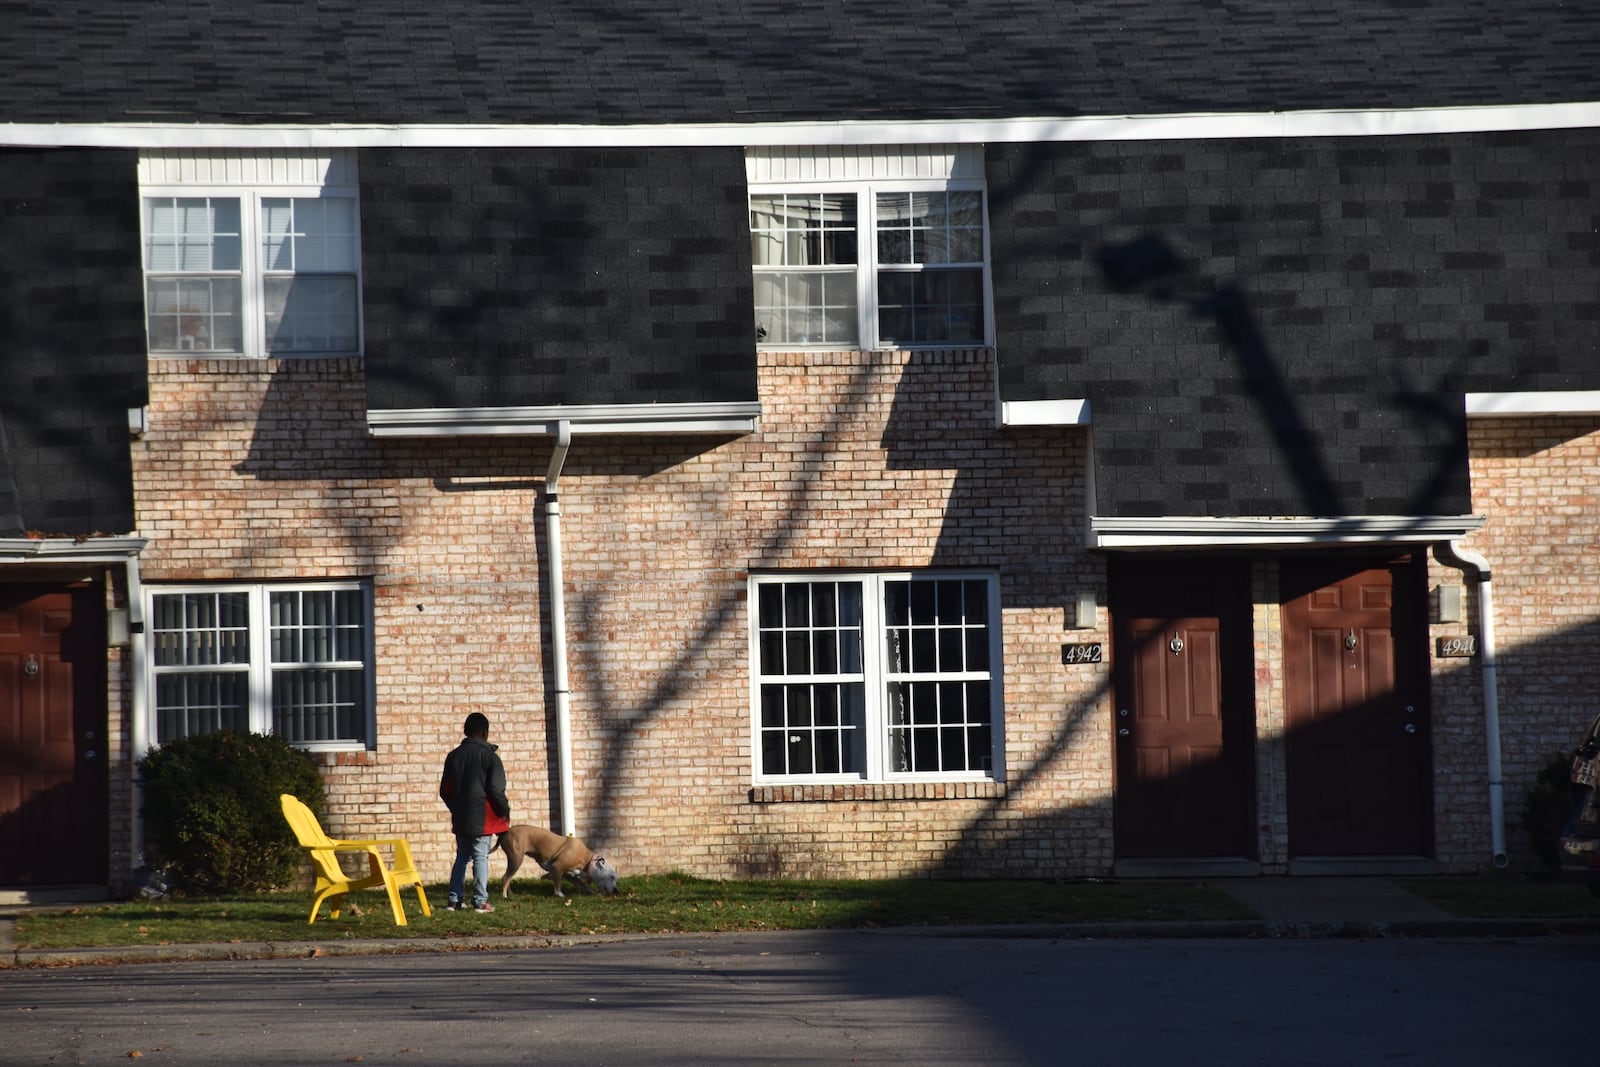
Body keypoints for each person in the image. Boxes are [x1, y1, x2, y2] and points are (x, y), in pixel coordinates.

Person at [439, 711, 511, 912]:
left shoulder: (453, 756)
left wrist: (456, 807)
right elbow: (496, 791)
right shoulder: (490, 757)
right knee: (480, 857)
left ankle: (454, 899)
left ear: (466, 731)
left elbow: (445, 790)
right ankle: (480, 901)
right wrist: (504, 811)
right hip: (483, 817)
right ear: (485, 733)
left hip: (461, 816)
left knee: (462, 856)